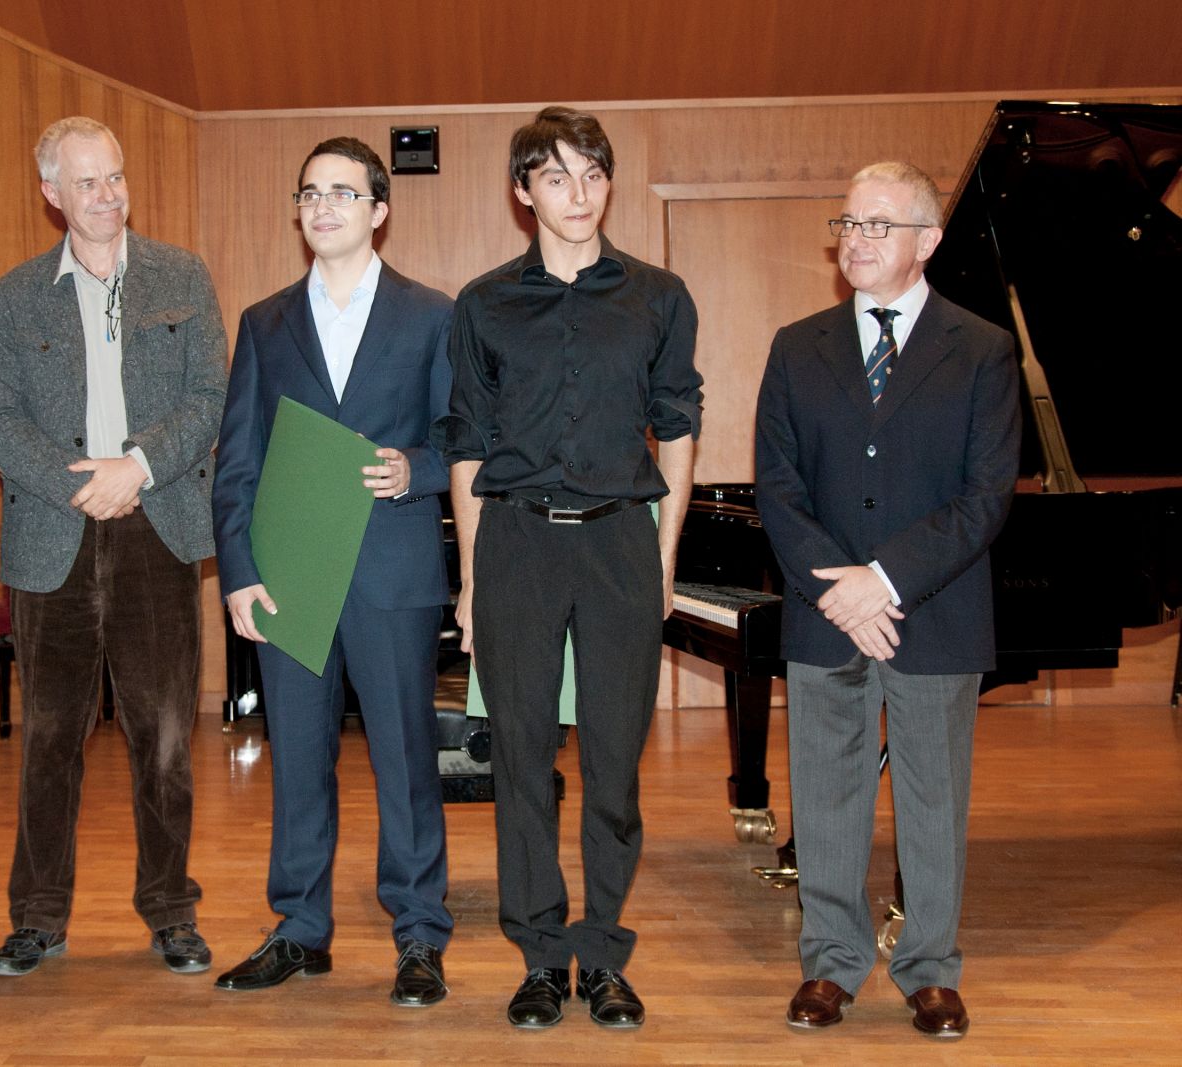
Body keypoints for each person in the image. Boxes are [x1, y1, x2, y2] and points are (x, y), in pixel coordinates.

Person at [438, 106, 703, 1029]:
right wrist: (473, 578)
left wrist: (664, 556)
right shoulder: (482, 304)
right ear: (524, 193)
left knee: (615, 764)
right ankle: (542, 958)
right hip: (514, 543)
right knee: (520, 759)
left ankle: (605, 956)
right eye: (556, 176)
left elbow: (678, 427)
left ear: (609, 182)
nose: (578, 193)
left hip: (621, 541)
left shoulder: (660, 296)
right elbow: (465, 446)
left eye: (592, 173)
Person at [755, 161, 1020, 1040]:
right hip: (826, 611)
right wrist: (843, 589)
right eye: (848, 223)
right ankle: (831, 961)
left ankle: (931, 970)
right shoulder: (797, 345)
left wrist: (887, 580)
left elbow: (986, 495)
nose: (856, 240)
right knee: (825, 796)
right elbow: (778, 487)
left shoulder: (981, 348)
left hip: (932, 611)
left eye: (878, 224)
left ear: (928, 241)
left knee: (934, 799)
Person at [0, 116, 227, 979]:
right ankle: (38, 916)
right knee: (50, 739)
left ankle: (171, 909)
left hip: (159, 527)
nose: (107, 195)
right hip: (55, 535)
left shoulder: (182, 276)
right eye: (86, 182)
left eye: (114, 176)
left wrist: (139, 467)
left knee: (164, 737)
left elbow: (209, 396)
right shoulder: (14, 296)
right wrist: (80, 483)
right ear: (52, 194)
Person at [211, 137, 455, 1006]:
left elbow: (464, 438)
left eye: (343, 193)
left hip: (393, 570)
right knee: (297, 758)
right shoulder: (264, 322)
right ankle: (300, 927)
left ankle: (419, 932)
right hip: (290, 572)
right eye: (309, 192)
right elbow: (238, 460)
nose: (322, 206)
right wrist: (238, 571)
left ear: (379, 210)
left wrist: (415, 469)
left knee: (406, 759)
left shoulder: (433, 315)